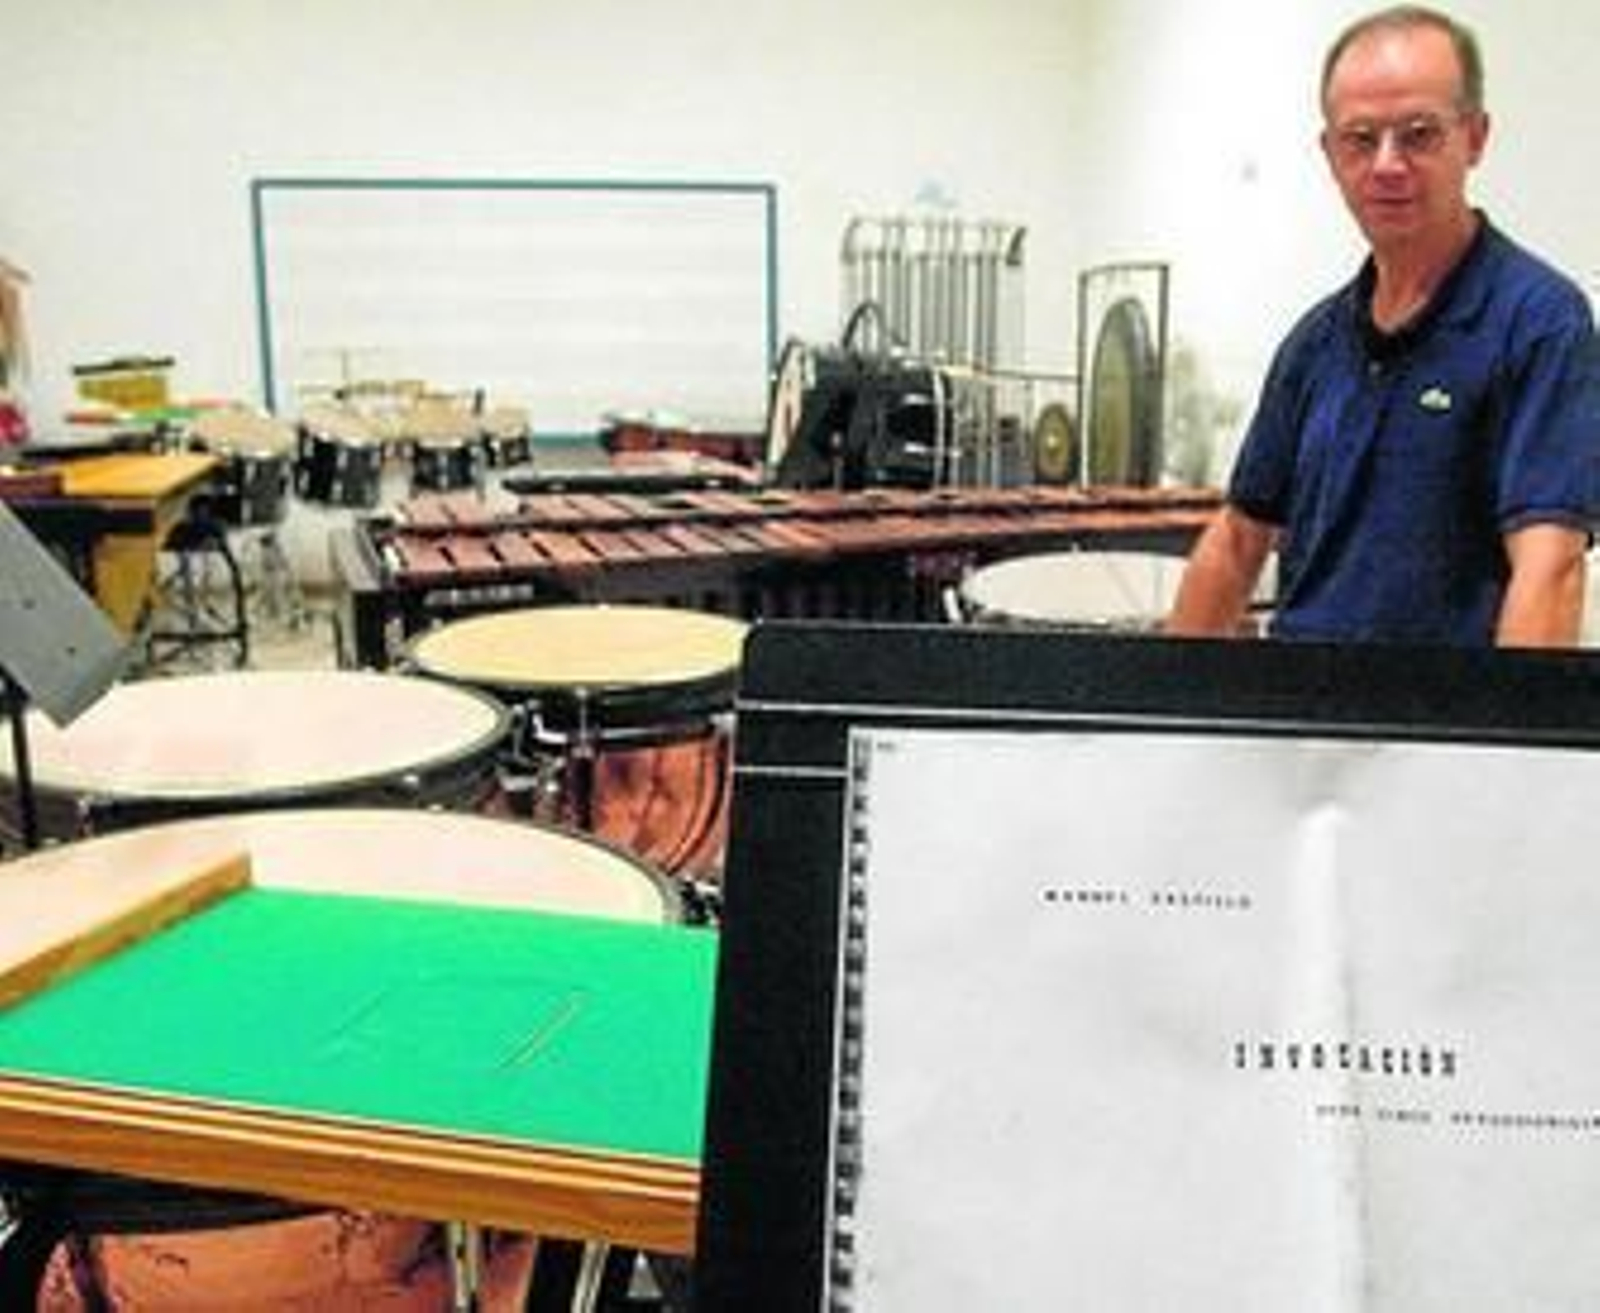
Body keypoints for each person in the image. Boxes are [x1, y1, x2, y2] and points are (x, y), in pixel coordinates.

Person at [1166, 5, 1600, 647]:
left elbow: (1551, 570)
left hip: (1441, 728)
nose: (1387, 165)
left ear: (1475, 137)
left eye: (1419, 134)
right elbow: (1237, 540)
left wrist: (1502, 745)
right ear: (1329, 153)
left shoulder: (1539, 325)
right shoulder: (1313, 344)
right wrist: (1167, 722)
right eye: (1361, 139)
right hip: (1301, 719)